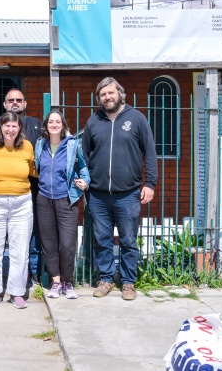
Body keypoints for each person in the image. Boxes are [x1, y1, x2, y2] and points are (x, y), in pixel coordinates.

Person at [82, 77, 158, 301]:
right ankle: (106, 279)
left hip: (128, 194)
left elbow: (150, 154)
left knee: (128, 240)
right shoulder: (93, 121)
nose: (107, 97)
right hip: (98, 195)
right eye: (103, 94)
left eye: (110, 93)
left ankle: (128, 282)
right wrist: (85, 182)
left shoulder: (136, 118)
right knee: (102, 239)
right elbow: (84, 156)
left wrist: (150, 183)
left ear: (120, 94)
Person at [0, 88, 43, 284]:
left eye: (19, 100)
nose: (15, 103)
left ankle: (32, 274)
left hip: (29, 192)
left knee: (28, 238)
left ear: (25, 103)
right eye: (11, 100)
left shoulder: (37, 126)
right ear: (4, 104)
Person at [0, 112, 36, 309]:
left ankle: (16, 292)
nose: (10, 129)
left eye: (14, 126)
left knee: (19, 250)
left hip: (21, 202)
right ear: (0, 127)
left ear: (19, 128)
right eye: (7, 126)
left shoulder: (27, 146)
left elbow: (32, 170)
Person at [34, 111, 89, 300]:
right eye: (51, 121)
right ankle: (55, 282)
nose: (54, 124)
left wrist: (85, 181)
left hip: (66, 199)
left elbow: (83, 167)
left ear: (63, 125)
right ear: (46, 125)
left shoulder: (72, 145)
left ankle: (67, 282)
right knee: (49, 244)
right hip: (44, 200)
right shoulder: (40, 144)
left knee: (67, 244)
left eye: (58, 121)